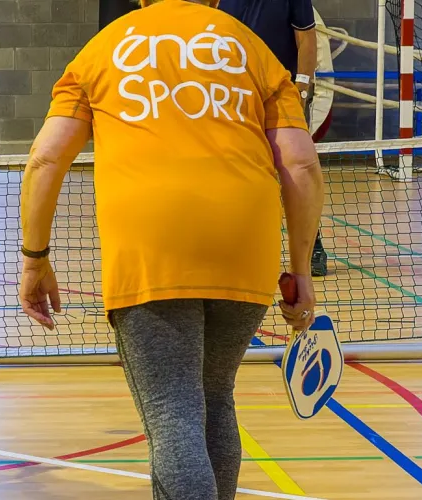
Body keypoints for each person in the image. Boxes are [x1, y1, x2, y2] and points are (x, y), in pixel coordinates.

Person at [18, 0, 323, 498]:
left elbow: (45, 158)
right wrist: (301, 272)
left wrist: (35, 257)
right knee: (215, 397)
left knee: (173, 413)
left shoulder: (103, 48)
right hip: (245, 246)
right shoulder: (250, 48)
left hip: (151, 248)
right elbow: (302, 165)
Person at [219, 0, 329, 277]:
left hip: (282, 97)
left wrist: (301, 89)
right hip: (235, 98)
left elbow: (306, 38)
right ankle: (236, 246)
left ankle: (312, 246)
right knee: (237, 173)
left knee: (297, 173)